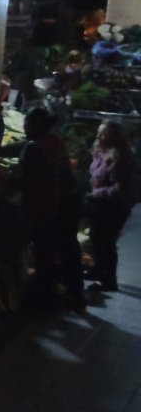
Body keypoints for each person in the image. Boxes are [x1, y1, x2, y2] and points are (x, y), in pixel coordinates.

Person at [19, 108, 83, 308]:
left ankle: (44, 298)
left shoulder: (34, 149)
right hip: (69, 204)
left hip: (49, 208)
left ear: (35, 127)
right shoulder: (54, 141)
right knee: (68, 251)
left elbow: (27, 181)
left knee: (44, 253)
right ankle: (76, 295)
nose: (24, 127)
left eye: (27, 124)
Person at [86, 120, 135, 291]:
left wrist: (97, 193)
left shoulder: (120, 157)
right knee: (96, 237)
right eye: (98, 133)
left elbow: (119, 188)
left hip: (114, 207)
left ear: (113, 137)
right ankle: (99, 271)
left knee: (106, 242)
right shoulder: (100, 151)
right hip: (99, 204)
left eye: (103, 134)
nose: (98, 136)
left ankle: (109, 280)